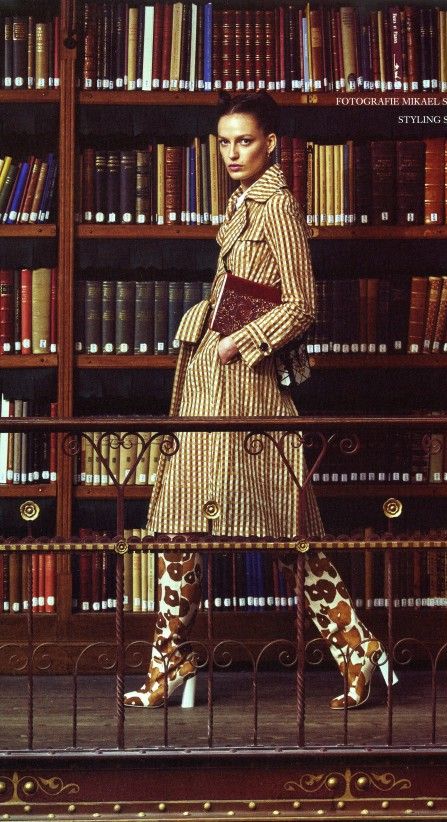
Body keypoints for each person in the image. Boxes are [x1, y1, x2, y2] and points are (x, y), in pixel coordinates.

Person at [124, 91, 392, 711]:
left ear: (270, 143)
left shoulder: (278, 207)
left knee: (288, 532)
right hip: (206, 394)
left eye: (245, 140)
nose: (233, 152)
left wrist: (240, 339)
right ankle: (167, 662)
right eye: (224, 141)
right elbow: (244, 287)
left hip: (250, 393)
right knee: (180, 527)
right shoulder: (240, 203)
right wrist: (207, 316)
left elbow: (302, 303)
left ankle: (356, 647)